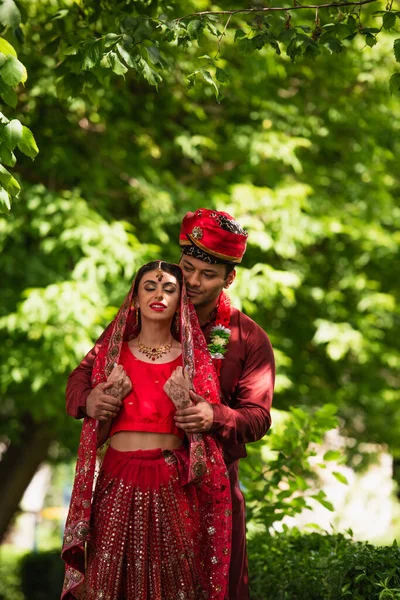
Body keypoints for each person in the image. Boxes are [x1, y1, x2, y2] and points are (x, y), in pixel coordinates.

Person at [66, 209, 275, 600]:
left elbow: (259, 418)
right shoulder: (140, 318)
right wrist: (89, 399)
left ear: (230, 278)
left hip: (207, 490)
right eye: (188, 268)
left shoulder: (246, 338)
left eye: (208, 274)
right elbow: (82, 376)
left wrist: (215, 415)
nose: (193, 281)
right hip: (125, 481)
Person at [61, 261, 231, 600]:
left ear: (181, 301)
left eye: (169, 289)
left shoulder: (194, 362)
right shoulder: (112, 358)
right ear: (135, 300)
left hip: (171, 480)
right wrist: (104, 400)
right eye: (149, 287)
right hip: (117, 477)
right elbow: (99, 433)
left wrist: (184, 403)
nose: (159, 295)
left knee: (174, 586)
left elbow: (205, 442)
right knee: (109, 583)